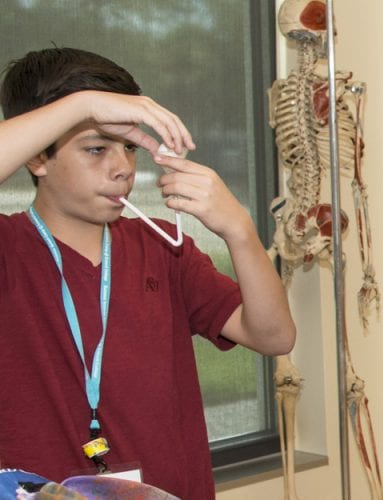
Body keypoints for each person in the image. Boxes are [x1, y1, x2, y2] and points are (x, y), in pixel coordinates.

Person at [0, 47, 296, 498]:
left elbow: (275, 337)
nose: (122, 168)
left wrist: (239, 231)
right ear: (38, 159)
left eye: (130, 148)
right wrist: (82, 106)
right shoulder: (9, 248)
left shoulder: (160, 246)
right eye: (96, 148)